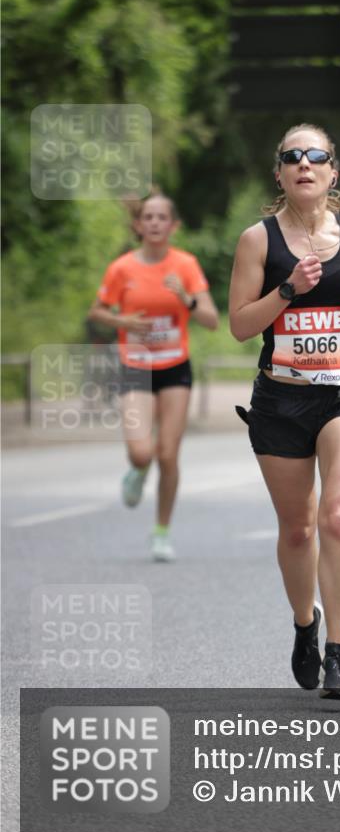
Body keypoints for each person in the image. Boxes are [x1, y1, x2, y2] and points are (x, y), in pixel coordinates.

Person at [229, 123, 340, 698]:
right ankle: (306, 625)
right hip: (280, 399)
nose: (304, 164)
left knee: (338, 517)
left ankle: (338, 655)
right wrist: (288, 291)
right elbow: (239, 325)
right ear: (279, 173)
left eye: (316, 156)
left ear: (333, 172)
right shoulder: (259, 241)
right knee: (298, 531)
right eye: (291, 157)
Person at [88, 191, 219, 559]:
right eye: (149, 217)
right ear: (138, 225)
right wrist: (122, 321)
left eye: (163, 217)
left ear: (173, 225)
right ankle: (137, 471)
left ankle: (161, 531)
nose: (156, 223)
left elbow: (210, 320)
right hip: (135, 366)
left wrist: (186, 299)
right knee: (143, 452)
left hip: (175, 367)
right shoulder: (123, 268)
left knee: (168, 454)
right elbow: (96, 312)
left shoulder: (186, 265)